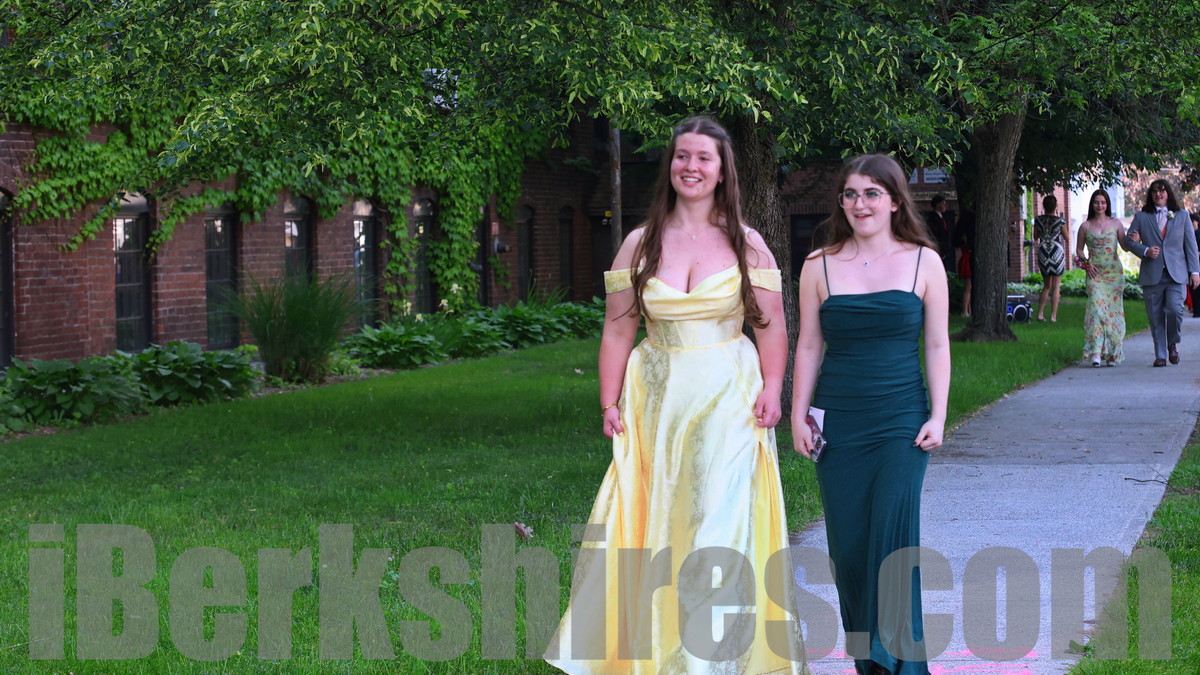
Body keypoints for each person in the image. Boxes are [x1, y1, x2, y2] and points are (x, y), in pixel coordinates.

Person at [546, 117, 807, 674]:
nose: (691, 167)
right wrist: (609, 401)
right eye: (682, 156)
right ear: (670, 166)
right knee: (658, 517)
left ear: (722, 171)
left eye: (703, 158)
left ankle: (710, 659)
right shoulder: (639, 242)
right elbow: (618, 329)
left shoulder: (748, 243)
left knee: (718, 518)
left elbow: (771, 326)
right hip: (657, 400)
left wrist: (773, 387)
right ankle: (655, 648)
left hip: (729, 396)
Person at [792, 154, 951, 675]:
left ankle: (898, 662)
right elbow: (809, 345)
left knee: (893, 541)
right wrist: (798, 414)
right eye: (851, 194)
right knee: (852, 551)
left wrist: (938, 415)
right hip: (839, 423)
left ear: (895, 201)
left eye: (872, 193)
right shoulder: (818, 265)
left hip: (901, 421)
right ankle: (871, 659)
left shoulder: (924, 261)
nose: (860, 204)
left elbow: (937, 344)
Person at [1123, 179, 1200, 366]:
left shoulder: (1182, 215)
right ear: (1151, 195)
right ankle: (1161, 355)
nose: (1158, 194)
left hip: (1176, 274)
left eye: (1162, 191)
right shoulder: (1142, 216)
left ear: (1168, 194)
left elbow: (1190, 245)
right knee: (1155, 316)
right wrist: (1145, 250)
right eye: (1155, 191)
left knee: (1175, 310)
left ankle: (1172, 343)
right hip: (1152, 273)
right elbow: (1128, 242)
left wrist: (1195, 271)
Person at [1075, 190, 1127, 366]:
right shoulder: (1085, 226)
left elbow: (1125, 246)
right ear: (1092, 204)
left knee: (1113, 313)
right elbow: (1079, 250)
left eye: (1103, 202)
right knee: (1096, 310)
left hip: (1114, 274)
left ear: (1107, 204)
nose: (1100, 205)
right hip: (1094, 274)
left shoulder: (1116, 223)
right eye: (1097, 202)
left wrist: (1137, 238)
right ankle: (1096, 352)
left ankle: (1113, 353)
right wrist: (1086, 264)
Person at [1033, 195, 1069, 322]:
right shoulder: (1060, 221)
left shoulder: (1038, 220)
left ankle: (1040, 314)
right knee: (1056, 285)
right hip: (1056, 252)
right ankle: (1053, 316)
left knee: (1047, 285)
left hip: (1043, 251)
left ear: (1043, 206)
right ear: (1055, 206)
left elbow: (1035, 237)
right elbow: (1067, 238)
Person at [925, 194, 956, 271]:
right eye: (943, 203)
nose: (945, 206)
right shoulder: (933, 218)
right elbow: (935, 235)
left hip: (944, 249)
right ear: (937, 205)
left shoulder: (941, 218)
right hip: (939, 249)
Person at [955, 209, 975, 316]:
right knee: (968, 287)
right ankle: (965, 311)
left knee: (969, 287)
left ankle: (969, 310)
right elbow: (968, 247)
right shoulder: (966, 236)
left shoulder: (962, 234)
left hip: (965, 258)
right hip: (967, 259)